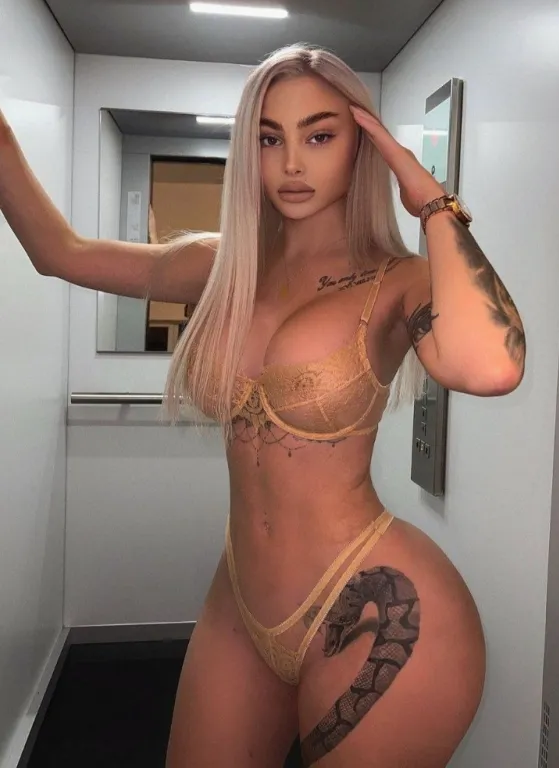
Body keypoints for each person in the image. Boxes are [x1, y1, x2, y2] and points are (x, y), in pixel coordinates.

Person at [0, 44, 525, 767]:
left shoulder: (397, 282)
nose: (292, 164)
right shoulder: (225, 266)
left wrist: (431, 200)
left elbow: (491, 366)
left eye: (320, 135)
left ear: (361, 144)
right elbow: (58, 252)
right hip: (242, 601)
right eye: (269, 139)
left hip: (376, 603)